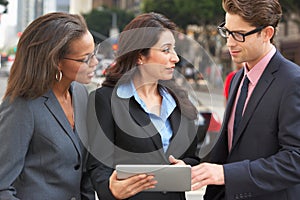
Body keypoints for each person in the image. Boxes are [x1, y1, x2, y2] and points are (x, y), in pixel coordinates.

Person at [191, 0, 300, 199]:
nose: (229, 42)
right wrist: (192, 169)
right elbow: (234, 147)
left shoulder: (293, 81)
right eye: (227, 31)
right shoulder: (238, 79)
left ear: (267, 33)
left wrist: (227, 174)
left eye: (239, 35)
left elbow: (295, 160)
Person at [86, 12, 200, 200]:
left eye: (174, 49)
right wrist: (111, 190)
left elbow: (192, 157)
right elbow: (98, 166)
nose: (175, 58)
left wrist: (186, 168)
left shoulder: (178, 100)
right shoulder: (105, 99)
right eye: (166, 50)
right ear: (140, 56)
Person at [0, 12, 98, 199]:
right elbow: (2, 186)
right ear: (56, 62)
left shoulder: (80, 94)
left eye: (94, 54)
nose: (95, 63)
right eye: (85, 59)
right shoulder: (21, 106)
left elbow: (83, 170)